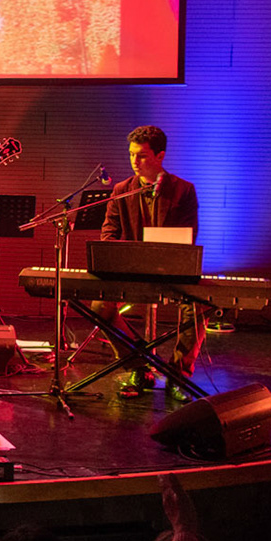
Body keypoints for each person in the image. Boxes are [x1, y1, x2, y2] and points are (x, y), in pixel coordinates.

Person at [98, 125, 203, 401]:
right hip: (131, 272)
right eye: (131, 154)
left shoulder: (183, 190)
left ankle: (179, 375)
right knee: (100, 306)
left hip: (171, 273)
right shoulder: (121, 190)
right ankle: (138, 366)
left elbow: (189, 236)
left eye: (142, 155)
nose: (135, 161)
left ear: (160, 156)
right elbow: (108, 234)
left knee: (198, 306)